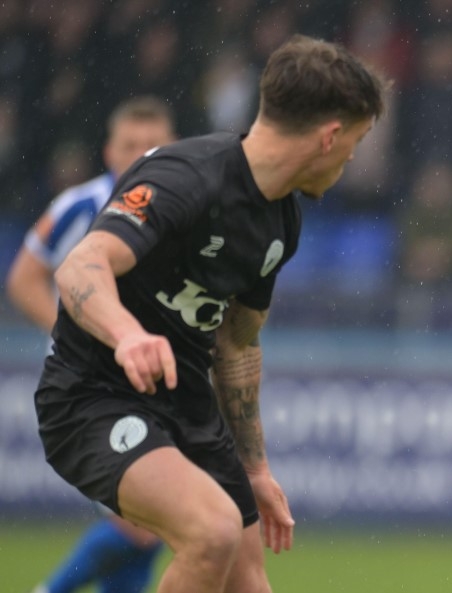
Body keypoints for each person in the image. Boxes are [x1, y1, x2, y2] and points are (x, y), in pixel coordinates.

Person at [35, 35, 385, 593]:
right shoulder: (186, 176)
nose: (351, 159)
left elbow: (238, 345)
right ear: (330, 136)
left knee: (249, 580)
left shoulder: (281, 222)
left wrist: (254, 469)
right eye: (358, 142)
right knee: (213, 531)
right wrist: (127, 335)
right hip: (93, 398)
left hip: (189, 409)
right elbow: (82, 264)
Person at [9, 96, 175, 593]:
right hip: (92, 389)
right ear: (109, 151)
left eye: (154, 145)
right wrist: (75, 334)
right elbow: (23, 279)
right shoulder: (80, 206)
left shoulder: (186, 208)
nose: (142, 154)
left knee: (151, 526)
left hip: (158, 383)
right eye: (131, 145)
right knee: (146, 524)